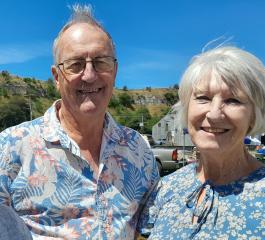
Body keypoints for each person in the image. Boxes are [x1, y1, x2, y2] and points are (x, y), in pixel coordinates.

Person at [0, 4, 159, 239]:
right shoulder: (10, 146)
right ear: (56, 77)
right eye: (76, 65)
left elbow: (152, 227)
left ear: (114, 71)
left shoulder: (137, 149)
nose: (89, 75)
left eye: (100, 62)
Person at [137, 46, 265, 239]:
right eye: (203, 98)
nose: (214, 114)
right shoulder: (165, 189)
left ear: (254, 115)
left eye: (233, 100)